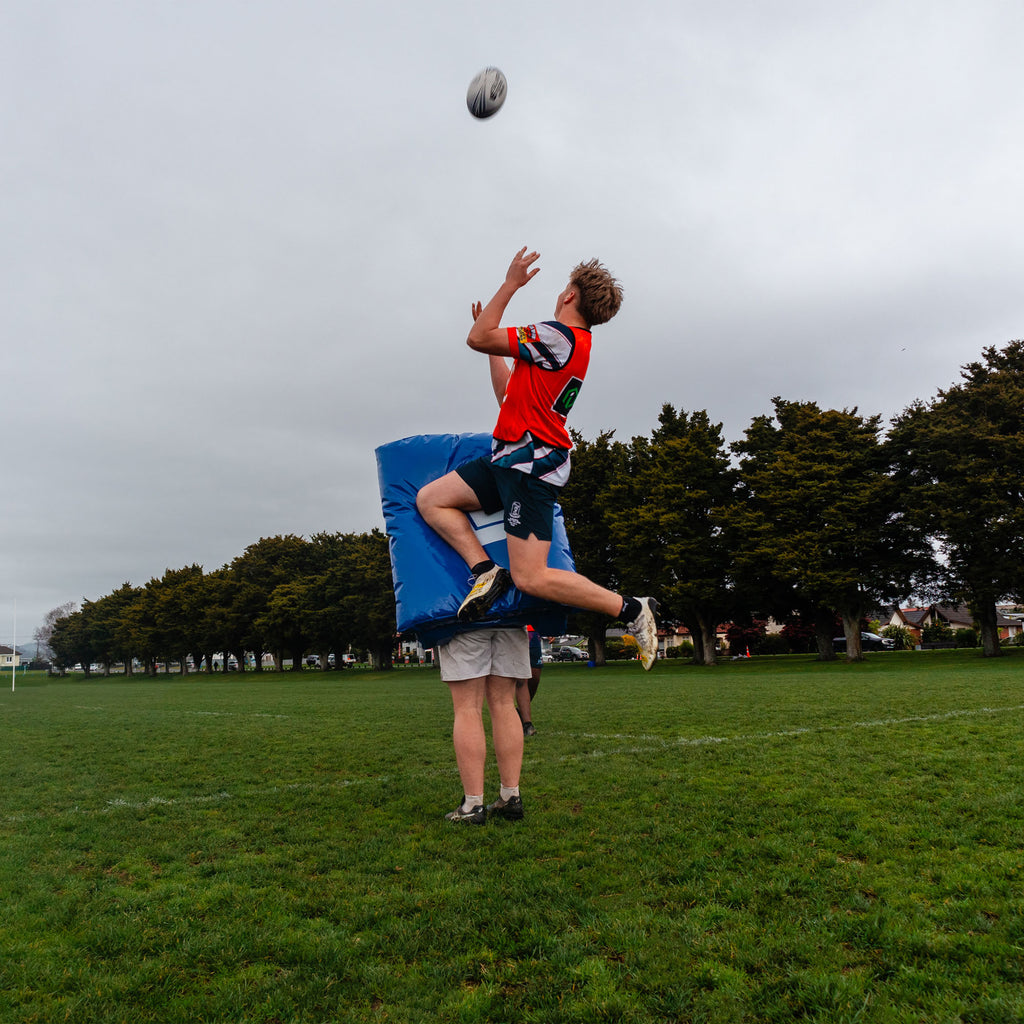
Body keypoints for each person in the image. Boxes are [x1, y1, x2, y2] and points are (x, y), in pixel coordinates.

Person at [416, 247, 659, 669]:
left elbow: (476, 337)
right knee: (432, 499)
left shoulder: (556, 335)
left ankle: (633, 609)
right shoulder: (563, 347)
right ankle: (485, 571)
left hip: (531, 468)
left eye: (564, 286)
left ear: (569, 296)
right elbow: (506, 394)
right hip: (509, 459)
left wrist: (509, 285)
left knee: (532, 577)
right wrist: (496, 348)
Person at [438, 625, 529, 824]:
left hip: (466, 616)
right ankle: (511, 796)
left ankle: (472, 804)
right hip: (511, 615)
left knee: (467, 707)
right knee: (505, 703)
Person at [516, 625, 542, 736]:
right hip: (515, 630)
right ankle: (527, 724)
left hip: (533, 632)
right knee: (522, 679)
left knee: (535, 678)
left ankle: (519, 711)